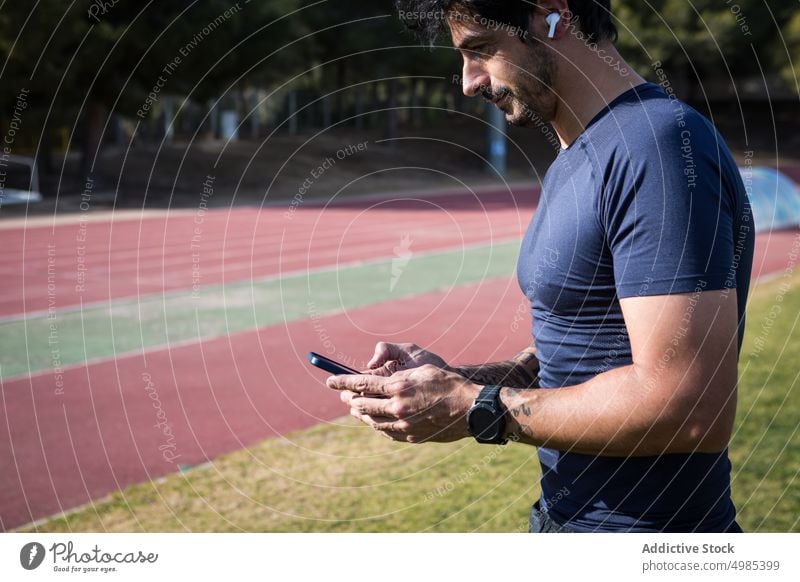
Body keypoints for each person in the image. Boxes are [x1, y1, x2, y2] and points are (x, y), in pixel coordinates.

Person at [327, 0, 754, 533]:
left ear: (552, 15)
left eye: (480, 49)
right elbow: (585, 347)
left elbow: (691, 410)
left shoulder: (657, 147)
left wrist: (476, 409)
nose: (468, 81)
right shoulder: (580, 152)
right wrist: (456, 382)